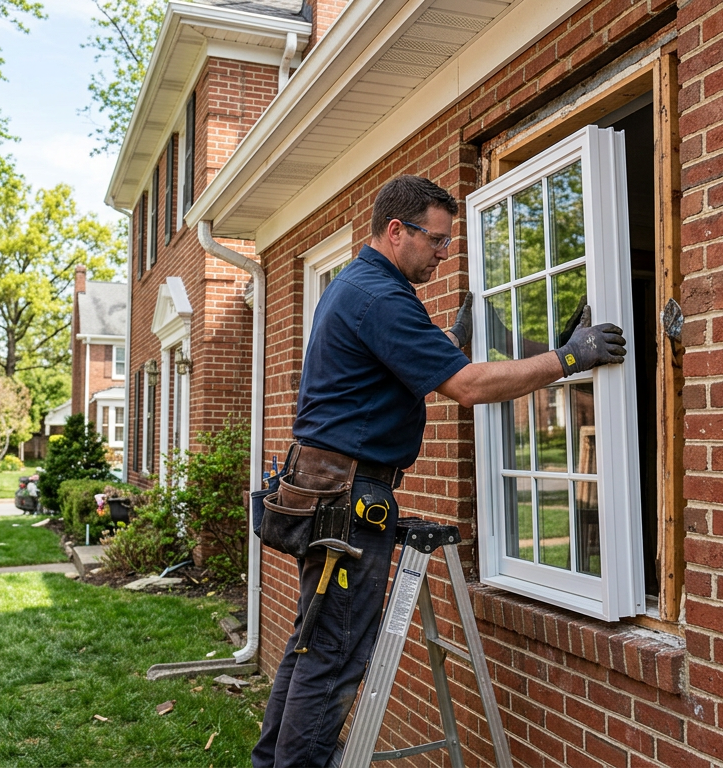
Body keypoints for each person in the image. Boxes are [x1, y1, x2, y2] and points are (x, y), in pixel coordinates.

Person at [253, 175, 627, 768]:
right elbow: (468, 388)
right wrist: (570, 358)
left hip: (327, 488)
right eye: (437, 240)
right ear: (397, 231)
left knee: (312, 646)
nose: (444, 252)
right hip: (348, 499)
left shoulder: (357, 286)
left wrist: (450, 340)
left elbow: (386, 375)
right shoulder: (380, 296)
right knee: (334, 656)